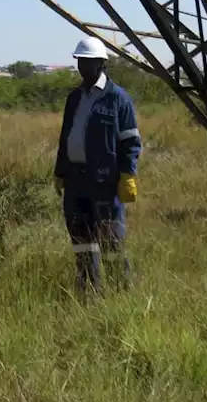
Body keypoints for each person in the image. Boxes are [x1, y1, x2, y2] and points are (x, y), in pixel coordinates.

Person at [53, 36, 142, 295]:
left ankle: (119, 294)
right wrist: (60, 172)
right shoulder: (74, 98)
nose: (82, 66)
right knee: (82, 242)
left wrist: (128, 175)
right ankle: (88, 293)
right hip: (75, 181)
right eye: (80, 61)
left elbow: (131, 141)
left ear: (101, 63)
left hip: (104, 183)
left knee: (110, 241)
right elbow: (66, 137)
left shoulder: (118, 99)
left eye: (88, 61)